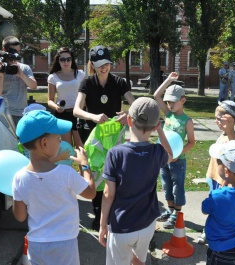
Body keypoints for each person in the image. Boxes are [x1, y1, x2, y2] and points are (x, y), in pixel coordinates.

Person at [12, 110, 96, 265]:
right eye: (58, 138)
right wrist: (85, 165)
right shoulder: (66, 173)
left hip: (36, 245)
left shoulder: (19, 178)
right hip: (65, 244)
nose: (61, 141)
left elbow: (20, 216)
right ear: (44, 143)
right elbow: (90, 193)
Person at [98, 97, 173, 265]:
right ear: (156, 126)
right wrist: (160, 130)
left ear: (129, 120)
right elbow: (171, 155)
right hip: (147, 224)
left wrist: (103, 225)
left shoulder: (115, 153)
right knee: (139, 260)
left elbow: (108, 194)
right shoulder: (157, 152)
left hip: (122, 226)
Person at [73, 45, 135, 231]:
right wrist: (94, 116)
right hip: (93, 136)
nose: (103, 68)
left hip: (114, 136)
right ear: (92, 64)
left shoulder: (119, 82)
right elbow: (76, 109)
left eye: (106, 64)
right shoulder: (87, 83)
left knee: (114, 173)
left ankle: (112, 212)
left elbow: (136, 104)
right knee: (95, 174)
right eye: (99, 64)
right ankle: (98, 211)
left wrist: (128, 115)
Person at [202, 140, 235, 265]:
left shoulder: (218, 196)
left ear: (226, 171)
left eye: (218, 163)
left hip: (219, 249)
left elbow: (204, 208)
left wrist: (222, 187)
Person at [153, 72, 195, 229]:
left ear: (183, 101)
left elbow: (192, 142)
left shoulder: (187, 121)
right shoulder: (168, 114)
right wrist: (169, 80)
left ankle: (176, 213)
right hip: (164, 158)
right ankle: (170, 210)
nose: (169, 105)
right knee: (166, 185)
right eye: (168, 102)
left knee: (178, 187)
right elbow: (156, 95)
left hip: (178, 161)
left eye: (173, 102)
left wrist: (178, 154)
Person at [197, 99, 235, 244]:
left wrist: (225, 181)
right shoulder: (223, 135)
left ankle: (211, 233)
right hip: (214, 177)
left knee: (217, 209)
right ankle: (209, 231)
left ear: (229, 119)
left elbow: (231, 163)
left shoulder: (232, 138)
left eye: (218, 118)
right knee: (213, 207)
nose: (216, 121)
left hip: (222, 181)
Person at [0, 36, 37, 125]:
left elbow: (34, 86)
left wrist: (21, 75)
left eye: (18, 51)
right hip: (5, 114)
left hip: (23, 113)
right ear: (4, 49)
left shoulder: (24, 68)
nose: (17, 55)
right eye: (14, 51)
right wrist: (0, 76)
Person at [47, 47, 85, 148]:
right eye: (62, 59)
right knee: (66, 149)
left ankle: (83, 164)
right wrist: (56, 107)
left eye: (68, 59)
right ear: (58, 60)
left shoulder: (80, 74)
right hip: (62, 115)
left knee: (80, 148)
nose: (66, 62)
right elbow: (50, 100)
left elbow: (87, 95)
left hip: (78, 114)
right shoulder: (53, 77)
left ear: (72, 60)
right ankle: (66, 165)